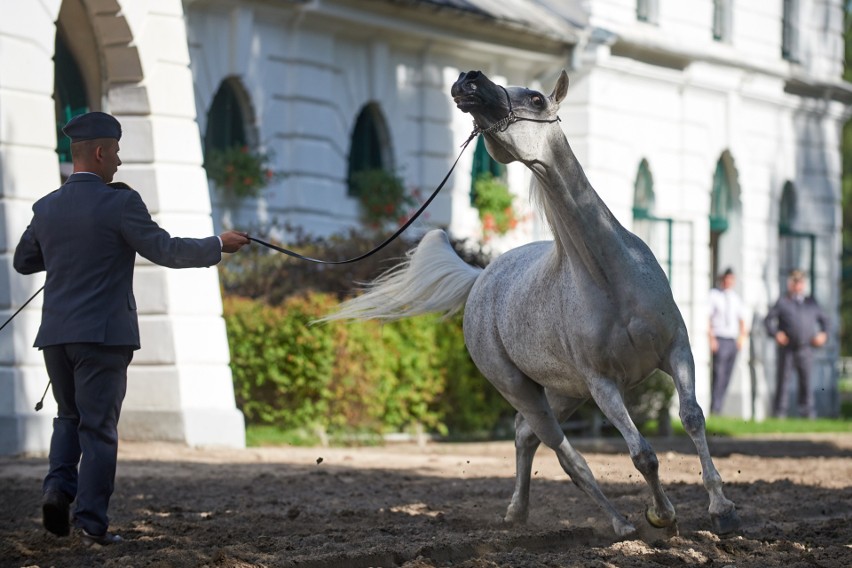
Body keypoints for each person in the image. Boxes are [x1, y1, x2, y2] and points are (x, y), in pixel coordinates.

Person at [13, 111, 251, 546]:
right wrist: (219, 244)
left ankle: (56, 491)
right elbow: (166, 250)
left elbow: (24, 261)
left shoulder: (46, 206)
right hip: (103, 336)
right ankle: (90, 523)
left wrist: (69, 251)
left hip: (56, 336)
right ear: (101, 152)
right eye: (117, 152)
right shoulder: (121, 203)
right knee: (99, 428)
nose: (119, 163)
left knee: (68, 417)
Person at [764, 269, 829, 419]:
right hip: (787, 350)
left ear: (803, 284)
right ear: (790, 283)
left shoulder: (811, 302)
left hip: (805, 349)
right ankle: (779, 414)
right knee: (783, 383)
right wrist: (776, 334)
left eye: (800, 282)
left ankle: (808, 414)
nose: (797, 285)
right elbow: (768, 321)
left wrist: (823, 334)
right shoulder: (783, 302)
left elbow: (826, 321)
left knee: (806, 384)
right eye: (794, 281)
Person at [708, 268, 747, 415]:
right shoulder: (714, 295)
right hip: (720, 338)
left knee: (728, 375)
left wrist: (742, 337)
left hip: (732, 340)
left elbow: (742, 319)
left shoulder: (735, 298)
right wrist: (712, 339)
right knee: (719, 374)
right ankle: (715, 408)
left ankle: (720, 406)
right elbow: (709, 318)